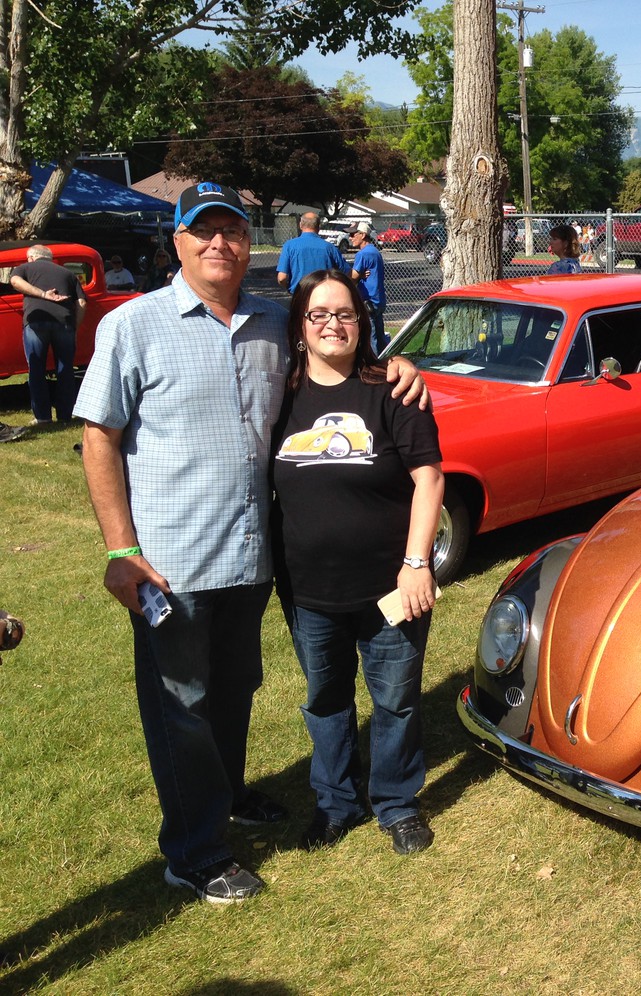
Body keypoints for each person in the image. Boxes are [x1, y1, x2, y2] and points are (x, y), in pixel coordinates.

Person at [72, 181, 427, 904]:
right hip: (170, 565)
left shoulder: (272, 322)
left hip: (252, 560)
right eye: (203, 232)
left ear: (247, 240)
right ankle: (195, 853)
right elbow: (98, 437)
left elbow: (336, 361)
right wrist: (118, 550)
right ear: (177, 241)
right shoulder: (134, 326)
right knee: (182, 705)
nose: (220, 244)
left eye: (232, 230)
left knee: (234, 693)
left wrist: (396, 365)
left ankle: (227, 795)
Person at [273, 269, 443, 856]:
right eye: (319, 314)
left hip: (388, 587)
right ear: (301, 327)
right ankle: (335, 803)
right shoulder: (280, 395)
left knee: (394, 698)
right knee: (326, 698)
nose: (333, 325)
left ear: (362, 321)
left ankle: (396, 803)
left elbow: (429, 479)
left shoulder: (392, 390)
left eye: (345, 313)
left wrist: (417, 562)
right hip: (307, 588)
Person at [10, 243, 87, 425]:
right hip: (65, 323)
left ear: (31, 257)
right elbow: (82, 303)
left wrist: (43, 294)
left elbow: (15, 282)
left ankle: (43, 417)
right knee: (65, 369)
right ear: (50, 258)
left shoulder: (25, 267)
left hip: (36, 323)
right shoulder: (68, 274)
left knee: (36, 369)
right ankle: (65, 416)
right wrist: (75, 325)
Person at [276, 211, 347, 293]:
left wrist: (290, 288)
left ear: (300, 225)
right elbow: (346, 273)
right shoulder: (330, 247)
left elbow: (282, 278)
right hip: (324, 294)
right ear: (318, 227)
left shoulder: (289, 246)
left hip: (300, 294)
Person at [349, 222, 388, 353]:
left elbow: (352, 277)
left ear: (363, 235)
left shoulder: (363, 254)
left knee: (371, 341)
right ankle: (384, 365)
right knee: (380, 337)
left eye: (353, 234)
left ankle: (374, 369)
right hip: (378, 300)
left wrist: (358, 276)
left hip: (368, 301)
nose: (350, 237)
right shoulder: (375, 251)